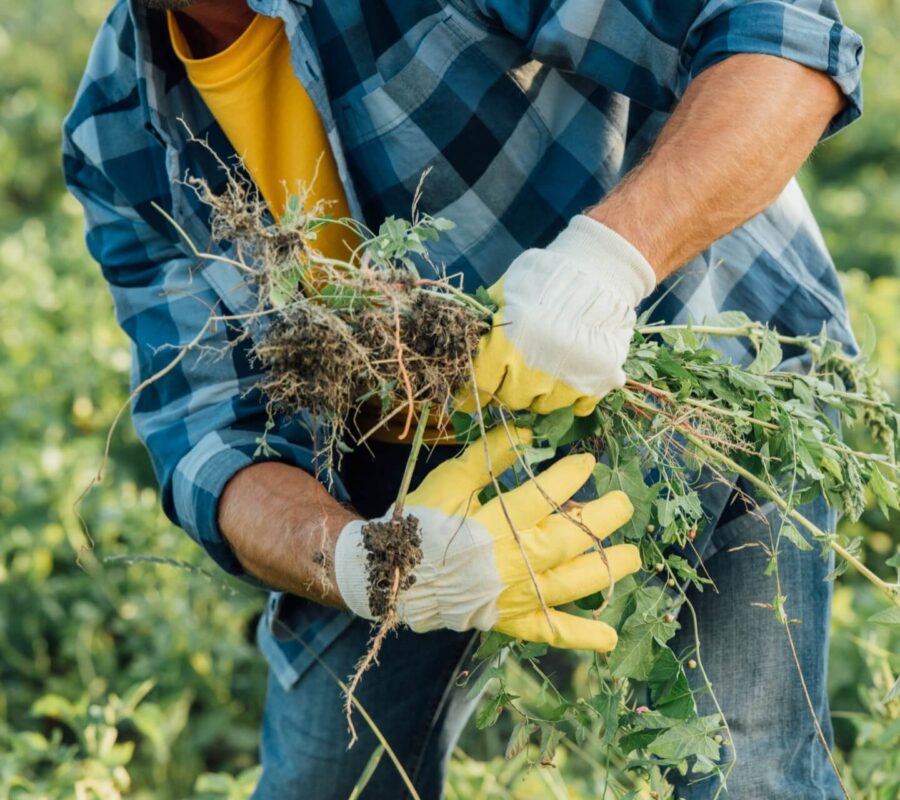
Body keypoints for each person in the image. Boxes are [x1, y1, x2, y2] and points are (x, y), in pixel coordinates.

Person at [63, 1, 863, 797]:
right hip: (403, 470)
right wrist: (365, 564)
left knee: (745, 771)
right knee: (325, 779)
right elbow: (212, 438)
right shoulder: (117, 131)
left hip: (686, 352)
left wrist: (608, 262)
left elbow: (781, 38)